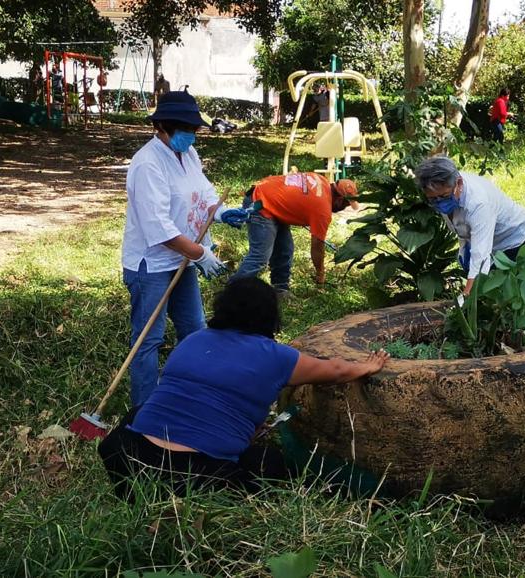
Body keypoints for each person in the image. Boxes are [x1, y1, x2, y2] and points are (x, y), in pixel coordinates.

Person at [98, 277, 390, 500]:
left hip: (130, 458)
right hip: (200, 473)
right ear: (269, 316)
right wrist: (367, 366)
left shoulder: (194, 340)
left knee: (138, 413)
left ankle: (142, 490)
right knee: (271, 463)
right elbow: (336, 371)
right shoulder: (277, 357)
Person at [121, 89, 250, 407]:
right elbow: (158, 228)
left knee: (194, 331)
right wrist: (201, 254)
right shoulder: (147, 165)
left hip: (183, 259)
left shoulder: (188, 155)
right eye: (184, 129)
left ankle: (190, 397)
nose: (190, 136)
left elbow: (203, 192)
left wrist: (221, 212)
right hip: (151, 264)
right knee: (148, 340)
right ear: (161, 127)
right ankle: (144, 412)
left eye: (193, 130)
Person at [415, 156, 525, 297]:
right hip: (485, 240)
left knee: (512, 294)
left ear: (458, 184)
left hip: (513, 238)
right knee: (488, 293)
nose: (439, 202)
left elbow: (480, 259)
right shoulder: (445, 191)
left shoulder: (478, 203)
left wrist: (466, 299)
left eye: (444, 197)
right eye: (433, 199)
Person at [231, 172, 358, 297]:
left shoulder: (321, 179)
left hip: (271, 200)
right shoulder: (322, 210)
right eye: (346, 205)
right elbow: (317, 246)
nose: (344, 208)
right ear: (340, 199)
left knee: (285, 250)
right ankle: (231, 292)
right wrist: (320, 272)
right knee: (260, 256)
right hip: (260, 203)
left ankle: (280, 289)